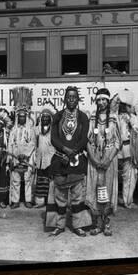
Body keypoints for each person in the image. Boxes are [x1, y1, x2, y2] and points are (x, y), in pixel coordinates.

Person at [45, 86, 92, 237]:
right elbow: (53, 138)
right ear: (64, 99)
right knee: (60, 196)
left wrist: (74, 151)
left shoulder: (83, 117)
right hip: (60, 159)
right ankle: (59, 225)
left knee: (78, 196)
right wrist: (65, 150)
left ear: (78, 100)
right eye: (69, 97)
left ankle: (78, 225)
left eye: (74, 97)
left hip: (77, 160)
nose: (71, 99)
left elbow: (84, 138)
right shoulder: (57, 116)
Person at [86, 88, 121, 236]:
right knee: (94, 190)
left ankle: (106, 223)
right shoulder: (92, 117)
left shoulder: (114, 117)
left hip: (109, 159)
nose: (101, 103)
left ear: (108, 101)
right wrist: (93, 159)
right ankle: (97, 223)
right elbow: (87, 140)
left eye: (104, 100)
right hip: (94, 158)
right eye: (99, 100)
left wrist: (108, 159)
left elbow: (118, 142)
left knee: (106, 190)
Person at [8, 87, 36, 209]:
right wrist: (12, 156)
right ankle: (15, 200)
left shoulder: (30, 129)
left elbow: (32, 143)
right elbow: (10, 144)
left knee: (28, 178)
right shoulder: (13, 130)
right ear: (17, 117)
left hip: (27, 158)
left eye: (24, 116)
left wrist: (25, 154)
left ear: (27, 117)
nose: (22, 118)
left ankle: (28, 200)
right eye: (20, 116)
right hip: (15, 157)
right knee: (15, 179)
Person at [117, 89, 138, 209]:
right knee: (115, 177)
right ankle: (111, 201)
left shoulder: (132, 118)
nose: (124, 107)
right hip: (116, 151)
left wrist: (131, 121)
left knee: (130, 176)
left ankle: (127, 201)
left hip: (128, 149)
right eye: (122, 105)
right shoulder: (115, 117)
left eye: (126, 105)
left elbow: (136, 131)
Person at [33, 101, 57, 208]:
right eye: (43, 117)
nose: (45, 119)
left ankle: (50, 201)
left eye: (47, 117)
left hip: (50, 159)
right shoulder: (37, 129)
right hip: (40, 160)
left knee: (50, 181)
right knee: (40, 181)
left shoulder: (54, 131)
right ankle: (40, 201)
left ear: (50, 119)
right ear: (40, 119)